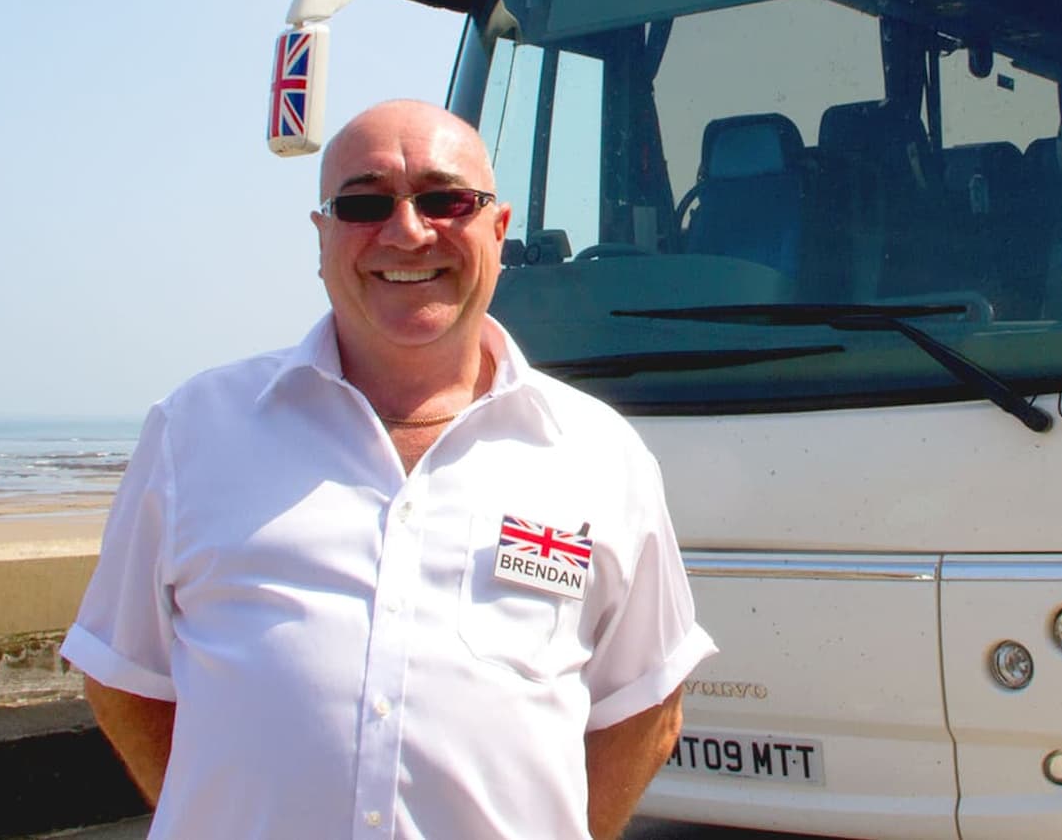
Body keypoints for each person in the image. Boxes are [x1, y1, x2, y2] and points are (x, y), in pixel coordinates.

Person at [61, 100, 716, 839]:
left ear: (499, 230)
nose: (407, 232)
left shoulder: (600, 454)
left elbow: (646, 708)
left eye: (446, 200)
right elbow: (123, 679)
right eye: (365, 204)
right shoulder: (194, 432)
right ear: (322, 237)